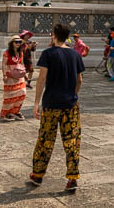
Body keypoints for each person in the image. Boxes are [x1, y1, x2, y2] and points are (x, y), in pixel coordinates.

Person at [29, 23, 85, 192]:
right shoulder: (75, 54)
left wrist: (36, 102)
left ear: (53, 35)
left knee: (46, 140)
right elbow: (80, 80)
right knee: (72, 141)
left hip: (51, 104)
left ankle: (38, 175)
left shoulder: (48, 54)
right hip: (70, 105)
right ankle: (72, 178)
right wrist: (72, 95)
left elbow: (41, 79)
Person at [0, 35, 26, 121]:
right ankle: (7, 113)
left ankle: (16, 111)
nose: (18, 43)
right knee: (10, 95)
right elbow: (4, 64)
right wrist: (4, 75)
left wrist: (24, 73)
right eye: (16, 42)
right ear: (12, 43)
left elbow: (22, 63)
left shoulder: (20, 53)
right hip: (10, 75)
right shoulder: (7, 53)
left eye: (19, 42)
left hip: (19, 75)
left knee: (22, 93)